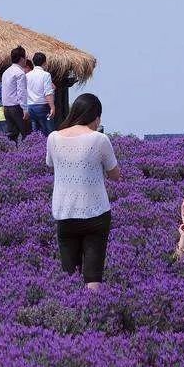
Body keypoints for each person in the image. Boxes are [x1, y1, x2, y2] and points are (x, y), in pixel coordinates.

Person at [46, 93, 121, 291]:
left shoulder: (53, 137)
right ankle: (93, 315)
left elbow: (50, 164)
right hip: (96, 213)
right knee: (93, 274)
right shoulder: (100, 139)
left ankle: (72, 314)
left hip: (64, 213)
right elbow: (115, 174)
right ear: (96, 117)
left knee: (69, 274)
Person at [0, 46, 30, 142]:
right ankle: (30, 156)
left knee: (12, 136)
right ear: (21, 58)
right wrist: (25, 109)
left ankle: (12, 155)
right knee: (27, 135)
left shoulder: (5, 72)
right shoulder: (20, 73)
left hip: (6, 108)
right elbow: (22, 92)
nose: (26, 60)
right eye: (25, 57)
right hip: (17, 107)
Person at [26, 52, 56, 136]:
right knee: (49, 134)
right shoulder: (46, 75)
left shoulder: (27, 75)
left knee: (35, 134)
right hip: (42, 106)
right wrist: (52, 107)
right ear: (44, 62)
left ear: (33, 62)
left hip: (30, 107)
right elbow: (48, 92)